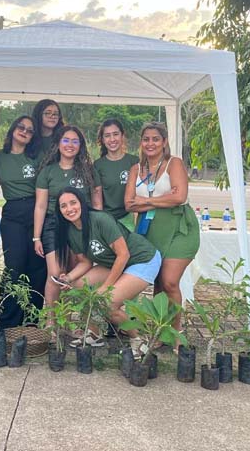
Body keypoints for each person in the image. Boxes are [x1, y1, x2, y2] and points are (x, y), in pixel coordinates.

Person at [54, 187, 161, 355]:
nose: (69, 209)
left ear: (82, 203)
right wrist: (68, 278)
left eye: (73, 203)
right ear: (59, 211)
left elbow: (123, 254)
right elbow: (85, 261)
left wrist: (106, 287)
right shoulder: (70, 230)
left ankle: (139, 341)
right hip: (116, 262)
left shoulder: (100, 219)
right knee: (78, 285)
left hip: (142, 259)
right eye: (64, 206)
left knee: (107, 303)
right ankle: (94, 333)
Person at [124, 122, 198, 330]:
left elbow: (180, 196)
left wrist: (147, 202)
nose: (150, 143)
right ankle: (159, 331)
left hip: (179, 228)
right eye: (146, 139)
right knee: (158, 282)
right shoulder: (135, 169)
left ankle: (175, 331)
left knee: (169, 281)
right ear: (141, 143)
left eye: (155, 139)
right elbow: (129, 203)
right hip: (150, 229)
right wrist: (165, 197)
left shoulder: (174, 163)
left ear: (164, 142)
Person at [34, 125, 103, 312]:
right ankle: (51, 322)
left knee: (73, 275)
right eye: (66, 140)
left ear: (80, 146)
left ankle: (68, 323)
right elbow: (40, 206)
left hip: (81, 226)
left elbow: (97, 204)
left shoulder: (89, 171)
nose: (70, 145)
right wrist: (36, 237)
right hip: (53, 225)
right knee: (55, 273)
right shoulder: (47, 172)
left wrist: (97, 231)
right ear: (58, 144)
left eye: (75, 141)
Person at [0, 115, 46, 328]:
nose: (24, 131)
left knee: (37, 266)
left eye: (30, 130)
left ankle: (32, 320)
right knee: (14, 267)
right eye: (21, 127)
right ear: (13, 129)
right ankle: (6, 322)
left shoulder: (37, 157)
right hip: (12, 213)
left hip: (36, 210)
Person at [94, 118, 139, 230]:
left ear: (122, 136)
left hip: (131, 219)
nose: (112, 139)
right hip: (108, 221)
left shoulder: (135, 161)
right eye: (107, 135)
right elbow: (97, 202)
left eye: (115, 134)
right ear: (103, 140)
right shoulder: (97, 165)